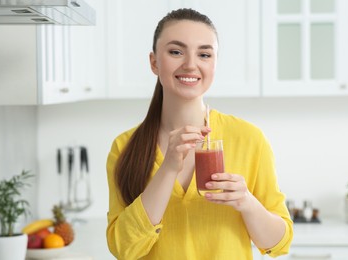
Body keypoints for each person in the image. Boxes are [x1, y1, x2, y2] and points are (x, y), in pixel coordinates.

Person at [106, 8, 293, 259]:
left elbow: (278, 244)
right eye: (175, 52)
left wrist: (247, 202)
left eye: (204, 54)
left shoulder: (249, 139)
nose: (191, 64)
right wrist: (168, 167)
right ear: (154, 62)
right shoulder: (125, 147)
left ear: (214, 63)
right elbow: (123, 248)